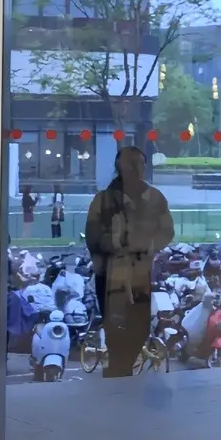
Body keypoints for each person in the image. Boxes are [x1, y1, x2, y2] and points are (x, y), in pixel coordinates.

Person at [84, 146, 174, 377]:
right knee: (115, 329)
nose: (136, 169)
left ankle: (122, 369)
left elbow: (167, 231)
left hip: (140, 274)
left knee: (140, 327)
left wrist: (147, 245)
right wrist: (114, 244)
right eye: (130, 164)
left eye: (139, 164)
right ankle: (117, 371)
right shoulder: (102, 200)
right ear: (119, 167)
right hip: (111, 277)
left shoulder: (155, 199)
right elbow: (92, 236)